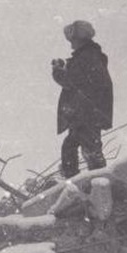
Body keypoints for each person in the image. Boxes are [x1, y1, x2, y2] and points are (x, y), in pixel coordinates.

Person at [52, 20, 114, 178]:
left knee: (89, 151)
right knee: (73, 147)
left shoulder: (86, 57)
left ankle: (99, 183)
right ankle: (80, 181)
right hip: (86, 114)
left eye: (72, 40)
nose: (71, 44)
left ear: (79, 39)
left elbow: (71, 81)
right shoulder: (91, 56)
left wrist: (58, 71)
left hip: (86, 115)